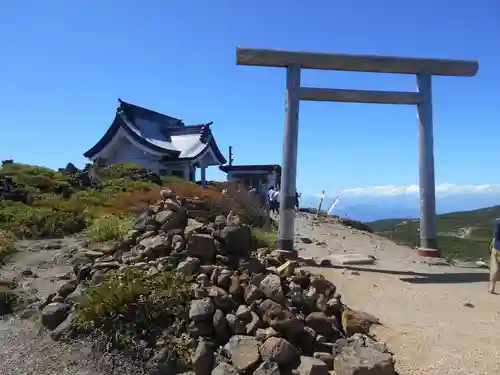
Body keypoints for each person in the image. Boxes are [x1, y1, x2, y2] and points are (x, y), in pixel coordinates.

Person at [489, 218, 500, 294]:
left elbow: (495, 236)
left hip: (497, 247)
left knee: (494, 268)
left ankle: (492, 288)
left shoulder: (498, 221)